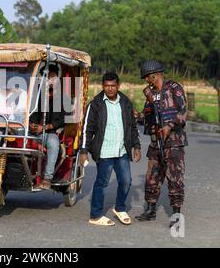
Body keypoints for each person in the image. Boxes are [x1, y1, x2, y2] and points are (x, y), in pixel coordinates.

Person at [79, 72, 141, 226]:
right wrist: (83, 151)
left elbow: (132, 127)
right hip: (104, 151)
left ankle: (120, 209)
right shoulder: (95, 105)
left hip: (122, 151)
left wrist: (136, 146)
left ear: (118, 86)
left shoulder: (125, 102)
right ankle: (95, 215)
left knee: (126, 181)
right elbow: (87, 129)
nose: (110, 89)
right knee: (102, 183)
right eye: (107, 86)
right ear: (103, 86)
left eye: (113, 86)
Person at [134, 60, 187, 228]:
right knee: (152, 177)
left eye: (147, 78)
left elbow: (183, 112)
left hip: (173, 143)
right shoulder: (150, 94)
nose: (146, 82)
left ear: (154, 75)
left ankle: (176, 214)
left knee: (175, 178)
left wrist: (169, 126)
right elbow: (146, 117)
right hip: (156, 144)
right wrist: (136, 115)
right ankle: (150, 210)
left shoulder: (173, 88)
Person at [29, 64, 65, 189]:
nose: (49, 80)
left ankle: (47, 178)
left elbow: (61, 121)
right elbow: (31, 114)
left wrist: (43, 128)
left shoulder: (61, 98)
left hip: (49, 133)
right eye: (46, 77)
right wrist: (31, 124)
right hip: (33, 133)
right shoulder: (36, 95)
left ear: (57, 79)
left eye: (52, 77)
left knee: (54, 144)